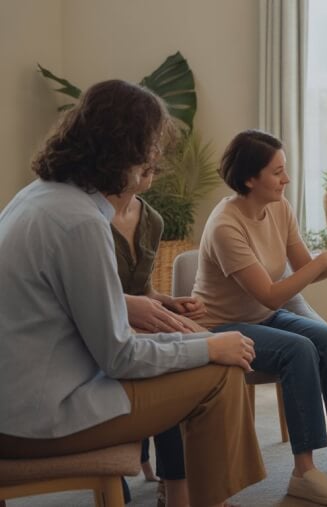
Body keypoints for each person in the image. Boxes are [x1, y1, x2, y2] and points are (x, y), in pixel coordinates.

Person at [0, 79, 265, 507]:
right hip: (36, 419)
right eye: (153, 146)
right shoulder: (82, 223)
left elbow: (46, 302)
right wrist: (210, 348)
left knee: (201, 345)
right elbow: (119, 357)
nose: (157, 158)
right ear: (128, 151)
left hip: (18, 401)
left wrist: (163, 322)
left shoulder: (36, 198)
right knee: (221, 370)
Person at [191, 129, 327, 505]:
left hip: (263, 316)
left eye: (285, 170)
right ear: (250, 178)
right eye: (277, 172)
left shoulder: (279, 208)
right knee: (298, 350)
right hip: (220, 326)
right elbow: (269, 292)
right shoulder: (225, 226)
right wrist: (322, 262)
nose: (286, 179)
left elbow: (303, 268)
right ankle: (304, 471)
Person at [108, 164, 208, 507]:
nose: (153, 166)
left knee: (198, 350)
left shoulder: (152, 220)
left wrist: (170, 303)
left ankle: (182, 483)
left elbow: (145, 290)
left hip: (138, 322)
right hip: (102, 326)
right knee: (167, 366)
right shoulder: (87, 218)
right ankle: (170, 485)